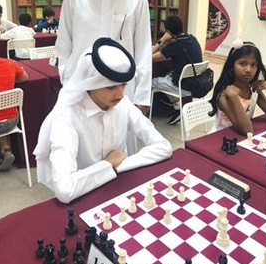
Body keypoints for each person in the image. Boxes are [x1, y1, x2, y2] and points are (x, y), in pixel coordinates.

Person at [34, 38, 172, 204]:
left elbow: (163, 147)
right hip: (85, 198)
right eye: (110, 87)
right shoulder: (66, 117)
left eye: (123, 85)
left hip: (120, 187)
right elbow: (65, 190)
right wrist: (107, 165)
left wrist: (117, 166)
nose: (120, 94)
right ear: (89, 83)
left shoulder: (124, 104)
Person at [56, 0, 152, 119]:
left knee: (120, 144)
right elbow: (64, 43)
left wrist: (142, 96)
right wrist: (68, 82)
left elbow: (143, 47)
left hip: (122, 90)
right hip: (81, 87)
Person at [208, 38, 266, 135]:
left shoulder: (253, 90)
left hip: (241, 139)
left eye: (254, 65)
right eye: (243, 64)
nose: (248, 69)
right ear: (232, 66)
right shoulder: (225, 95)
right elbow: (247, 131)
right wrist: (234, 97)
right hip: (220, 139)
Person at [0, 25, 29, 171]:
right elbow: (25, 78)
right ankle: (6, 149)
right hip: (9, 123)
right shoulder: (9, 64)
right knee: (0, 111)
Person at [151, 15, 203, 125]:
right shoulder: (193, 38)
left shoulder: (175, 45)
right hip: (197, 82)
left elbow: (149, 56)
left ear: (168, 32)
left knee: (152, 81)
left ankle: (174, 107)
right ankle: (177, 107)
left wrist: (162, 40)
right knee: (167, 76)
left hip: (184, 86)